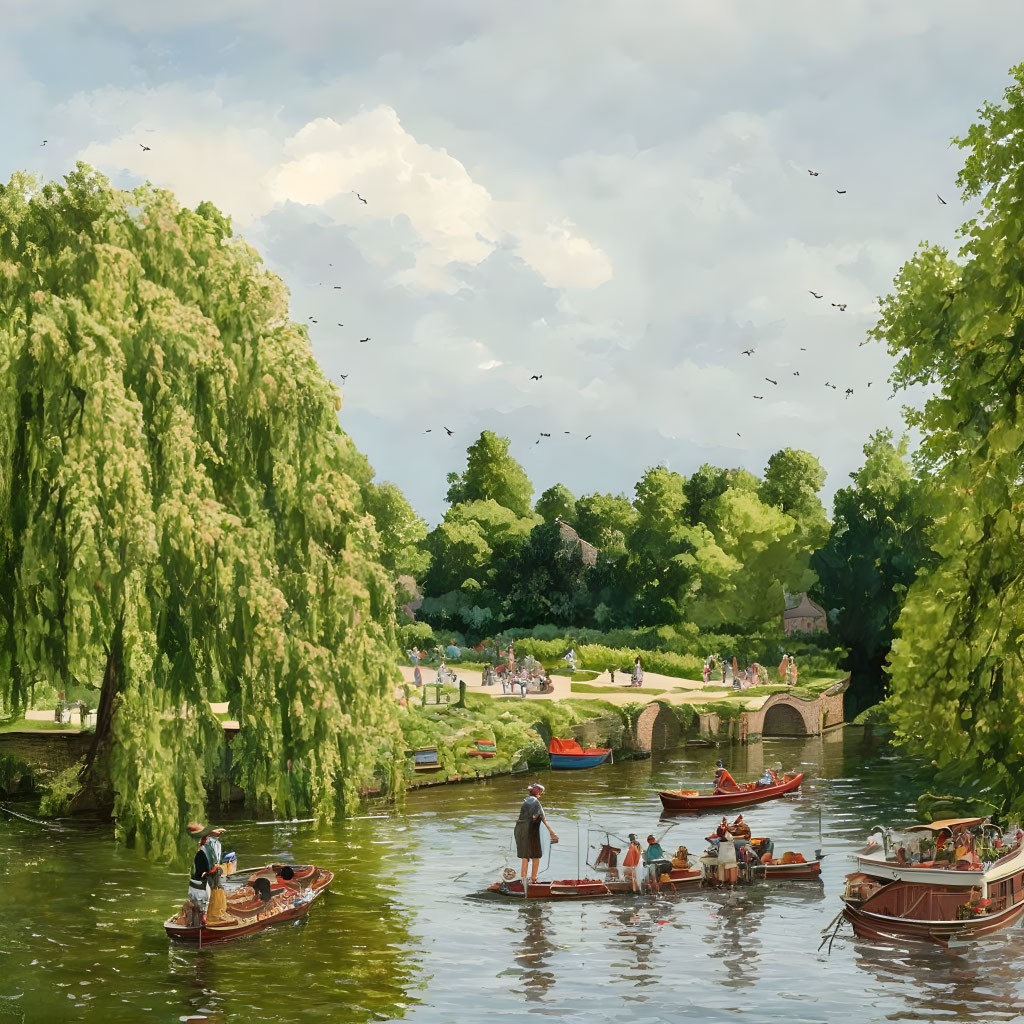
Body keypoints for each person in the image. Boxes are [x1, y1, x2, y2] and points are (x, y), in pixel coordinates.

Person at [514, 783, 559, 889]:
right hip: (530, 831)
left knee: (525, 856)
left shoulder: (526, 801)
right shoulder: (536, 802)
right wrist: (553, 834)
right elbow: (543, 820)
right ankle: (534, 879)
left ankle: (523, 879)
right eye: (541, 792)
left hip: (519, 830)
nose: (541, 794)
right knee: (535, 855)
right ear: (538, 792)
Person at [186, 821, 229, 926]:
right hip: (200, 883)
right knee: (206, 896)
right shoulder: (200, 852)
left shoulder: (205, 847)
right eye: (206, 836)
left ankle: (208, 915)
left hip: (201, 881)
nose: (207, 839)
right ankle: (206, 917)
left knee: (215, 887)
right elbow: (202, 873)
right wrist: (213, 870)